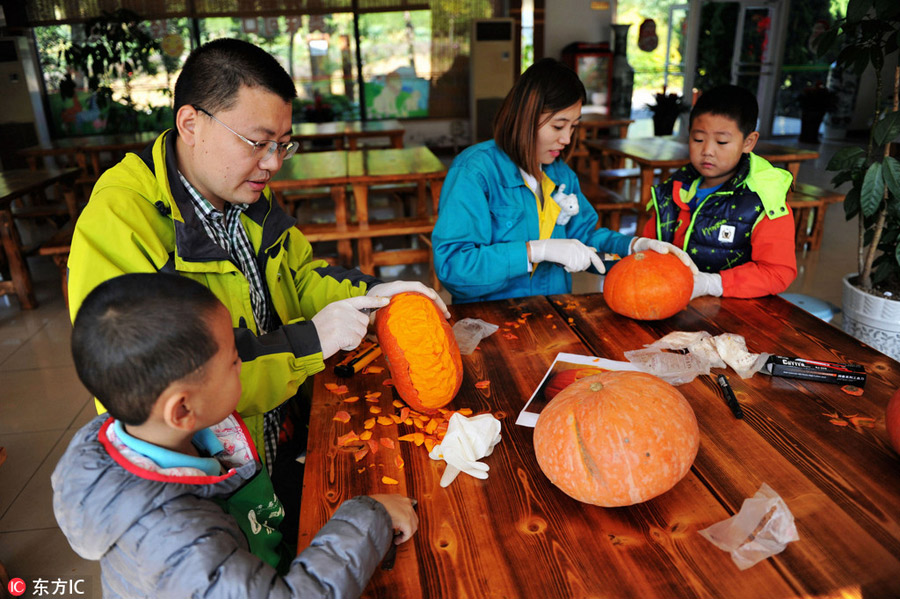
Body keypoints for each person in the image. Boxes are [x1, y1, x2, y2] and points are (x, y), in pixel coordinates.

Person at [65, 38, 447, 475]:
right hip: (209, 474)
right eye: (258, 142)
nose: (273, 163)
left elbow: (299, 279)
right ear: (190, 124)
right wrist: (308, 342)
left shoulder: (244, 192)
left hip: (281, 428)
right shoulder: (121, 219)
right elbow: (154, 383)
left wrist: (374, 292)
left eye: (283, 143)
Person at [53, 273, 418, 598]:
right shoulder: (181, 543)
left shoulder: (139, 431)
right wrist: (369, 518)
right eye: (232, 360)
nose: (243, 363)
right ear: (181, 410)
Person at [431, 58, 695, 303]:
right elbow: (454, 268)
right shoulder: (475, 172)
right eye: (558, 126)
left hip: (554, 315)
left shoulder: (561, 176)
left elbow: (584, 237)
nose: (567, 139)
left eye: (574, 126)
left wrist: (634, 246)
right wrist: (534, 251)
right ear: (524, 117)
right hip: (492, 323)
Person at [641, 84, 797, 298]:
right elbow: (649, 247)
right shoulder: (672, 190)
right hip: (671, 302)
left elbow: (778, 273)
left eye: (722, 141)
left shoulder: (764, 200)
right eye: (698, 139)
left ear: (748, 142)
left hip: (733, 315)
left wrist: (713, 284)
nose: (707, 151)